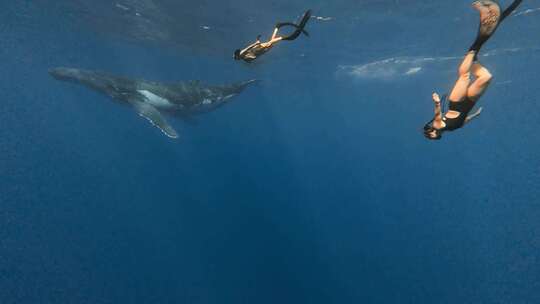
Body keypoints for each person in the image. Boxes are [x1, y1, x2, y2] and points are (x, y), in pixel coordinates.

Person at [424, 0, 523, 140]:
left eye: (432, 134)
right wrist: (476, 114)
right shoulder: (452, 129)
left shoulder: (438, 124)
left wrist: (436, 102)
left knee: (464, 76)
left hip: (455, 102)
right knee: (486, 77)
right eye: (434, 136)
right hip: (469, 103)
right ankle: (473, 59)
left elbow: (437, 116)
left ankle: (472, 52)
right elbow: (464, 121)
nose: (434, 134)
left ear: (431, 130)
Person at [234, 10, 312, 62]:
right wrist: (260, 48)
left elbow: (249, 48)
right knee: (274, 40)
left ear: (237, 56)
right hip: (263, 47)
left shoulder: (241, 54)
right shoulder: (244, 58)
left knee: (292, 37)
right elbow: (253, 54)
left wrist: (257, 43)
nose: (236, 59)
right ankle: (277, 27)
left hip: (262, 47)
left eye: (236, 58)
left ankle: (278, 26)